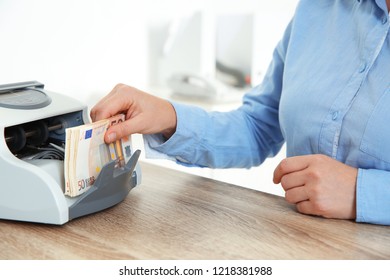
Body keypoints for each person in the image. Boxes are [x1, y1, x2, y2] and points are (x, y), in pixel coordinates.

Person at [91, 0, 390, 226]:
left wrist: (362, 193)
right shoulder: (319, 8)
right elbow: (257, 127)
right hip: (299, 247)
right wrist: (169, 117)